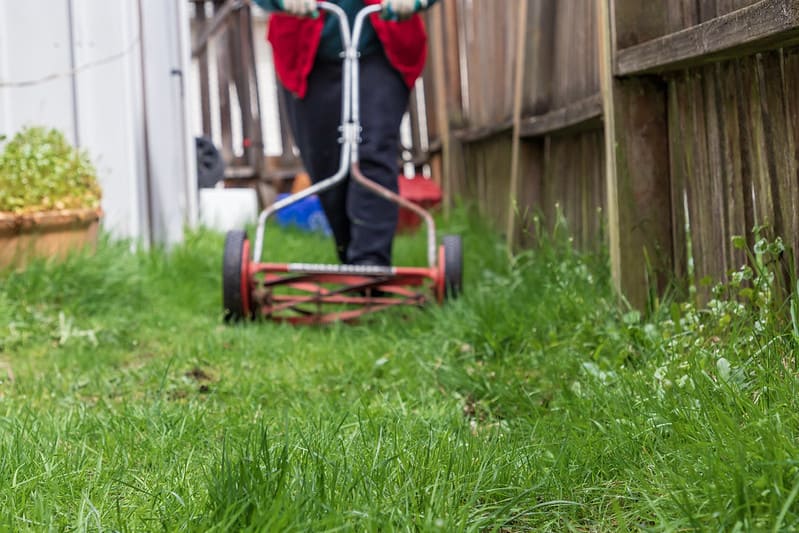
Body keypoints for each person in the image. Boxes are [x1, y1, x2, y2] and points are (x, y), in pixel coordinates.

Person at [253, 0, 439, 267]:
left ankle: (370, 265)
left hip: (380, 49)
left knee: (372, 150)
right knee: (326, 164)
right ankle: (351, 257)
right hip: (308, 54)